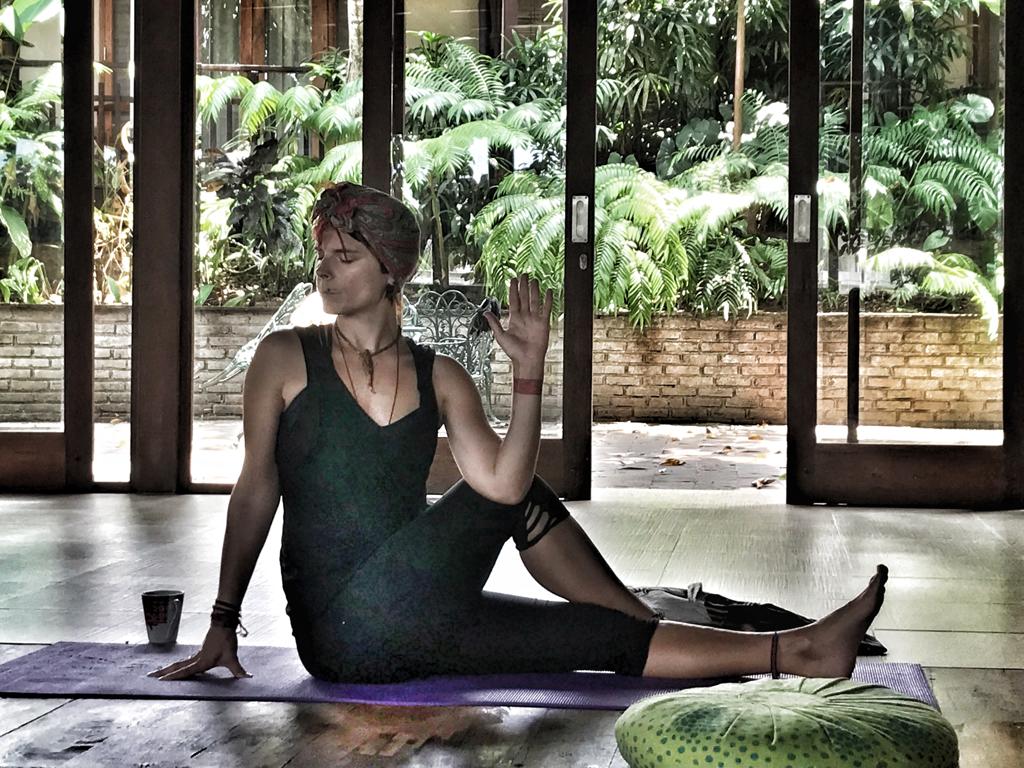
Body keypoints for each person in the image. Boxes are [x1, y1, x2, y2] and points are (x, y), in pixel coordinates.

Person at [149, 181, 887, 685]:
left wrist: (530, 373)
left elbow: (499, 485)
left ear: (390, 270)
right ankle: (633, 606)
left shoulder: (440, 376)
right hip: (339, 628)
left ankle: (799, 651)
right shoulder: (286, 358)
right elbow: (255, 491)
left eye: (344, 257)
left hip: (421, 618)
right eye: (323, 257)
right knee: (517, 492)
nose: (326, 272)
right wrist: (222, 619)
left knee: (594, 641)